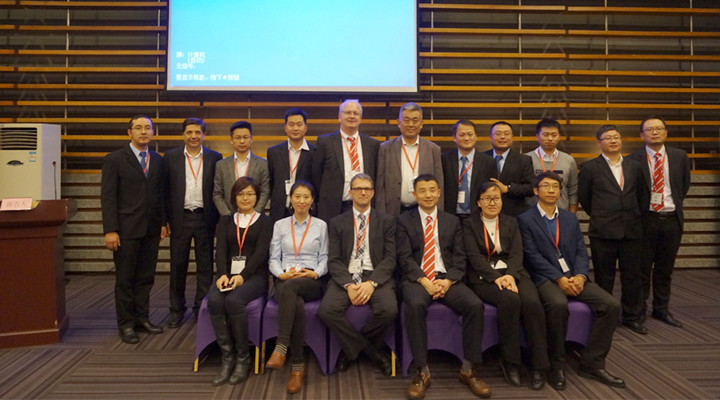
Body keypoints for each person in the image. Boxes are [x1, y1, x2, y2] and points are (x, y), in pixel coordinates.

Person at [517, 172, 625, 390]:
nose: (551, 190)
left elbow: (580, 251)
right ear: (536, 191)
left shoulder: (569, 218)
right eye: (546, 186)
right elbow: (531, 255)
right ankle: (556, 365)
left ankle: (592, 363)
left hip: (574, 276)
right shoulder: (525, 219)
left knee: (611, 305)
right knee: (558, 305)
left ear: (560, 191)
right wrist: (559, 278)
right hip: (545, 277)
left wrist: (581, 276)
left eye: (555, 186)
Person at [397, 174, 490, 400]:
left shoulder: (452, 221)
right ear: (414, 194)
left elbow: (460, 258)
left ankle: (468, 369)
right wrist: (425, 281)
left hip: (446, 278)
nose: (428, 195)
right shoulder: (403, 221)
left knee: (474, 305)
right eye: (422, 191)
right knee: (415, 305)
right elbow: (405, 258)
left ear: (439, 193)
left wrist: (448, 281)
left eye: (432, 190)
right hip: (418, 279)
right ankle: (422, 371)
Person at [462, 182, 549, 390]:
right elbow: (474, 258)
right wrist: (496, 278)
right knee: (510, 299)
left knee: (532, 302)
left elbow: (518, 253)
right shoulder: (469, 225)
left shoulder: (511, 222)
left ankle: (539, 365)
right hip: (484, 277)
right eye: (487, 198)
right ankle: (511, 361)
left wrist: (510, 275)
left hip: (514, 273)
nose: (492, 203)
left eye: (496, 198)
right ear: (479, 202)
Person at [319, 173, 397, 375]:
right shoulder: (337, 222)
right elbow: (334, 259)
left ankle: (351, 350)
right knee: (326, 311)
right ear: (350, 192)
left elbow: (390, 259)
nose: (363, 192)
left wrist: (372, 283)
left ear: (373, 193)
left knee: (389, 310)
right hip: (346, 275)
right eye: (358, 188)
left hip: (375, 275)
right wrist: (348, 285)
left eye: (367, 189)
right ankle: (372, 352)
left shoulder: (387, 221)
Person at [101, 115, 167, 344]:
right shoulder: (115, 159)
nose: (143, 132)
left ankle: (142, 318)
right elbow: (108, 197)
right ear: (129, 132)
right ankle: (126, 324)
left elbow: (160, 195)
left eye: (148, 128)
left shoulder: (157, 160)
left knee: (146, 278)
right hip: (125, 230)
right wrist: (110, 229)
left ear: (153, 132)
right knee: (125, 279)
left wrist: (162, 222)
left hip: (151, 229)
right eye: (138, 128)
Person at [578, 125, 647, 334]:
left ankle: (631, 316)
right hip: (603, 231)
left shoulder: (635, 166)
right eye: (608, 138)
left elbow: (642, 195)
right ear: (599, 142)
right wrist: (603, 215)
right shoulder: (590, 167)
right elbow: (585, 198)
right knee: (604, 277)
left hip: (631, 230)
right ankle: (606, 315)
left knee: (632, 276)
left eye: (617, 137)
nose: (613, 141)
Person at [207, 177, 273, 386]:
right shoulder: (226, 220)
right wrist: (222, 274)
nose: (245, 198)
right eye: (241, 194)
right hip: (227, 275)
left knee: (234, 301)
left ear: (257, 197)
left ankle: (243, 358)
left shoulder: (265, 222)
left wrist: (242, 276)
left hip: (254, 276)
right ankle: (227, 358)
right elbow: (220, 251)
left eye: (250, 194)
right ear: (234, 197)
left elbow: (260, 254)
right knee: (215, 300)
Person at [627, 116, 691, 328]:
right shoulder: (632, 160)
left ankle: (661, 309)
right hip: (646, 220)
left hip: (671, 219)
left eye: (659, 129)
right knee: (642, 268)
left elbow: (683, 186)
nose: (654, 132)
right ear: (641, 135)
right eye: (649, 130)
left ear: (666, 133)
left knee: (665, 268)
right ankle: (639, 310)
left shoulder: (680, 156)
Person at [265, 181, 328, 394]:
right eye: (297, 196)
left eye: (306, 197)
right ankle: (297, 366)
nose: (302, 201)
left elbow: (325, 257)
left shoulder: (320, 225)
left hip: (310, 280)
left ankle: (281, 346)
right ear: (290, 199)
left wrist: (315, 273)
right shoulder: (280, 225)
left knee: (291, 289)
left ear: (312, 200)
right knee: (296, 302)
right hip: (285, 278)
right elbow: (274, 258)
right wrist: (280, 274)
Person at [163, 118, 223, 328]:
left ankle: (201, 308)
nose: (193, 136)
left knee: (205, 266)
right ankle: (176, 309)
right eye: (189, 132)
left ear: (204, 135)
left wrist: (219, 220)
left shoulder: (215, 157)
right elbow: (164, 191)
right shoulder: (170, 157)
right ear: (183, 135)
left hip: (205, 218)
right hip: (180, 218)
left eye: (197, 132)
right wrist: (165, 220)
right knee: (177, 266)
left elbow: (218, 190)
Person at [312, 99, 380, 222]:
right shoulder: (325, 142)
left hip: (363, 207)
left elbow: (376, 175)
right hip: (333, 208)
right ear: (339, 117)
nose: (352, 116)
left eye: (356, 113)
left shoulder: (372, 145)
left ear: (360, 118)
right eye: (348, 113)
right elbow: (316, 174)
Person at [376, 102, 443, 216]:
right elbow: (380, 186)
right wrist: (381, 215)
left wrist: (439, 214)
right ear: (399, 123)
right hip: (394, 211)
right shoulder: (385, 148)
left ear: (421, 124)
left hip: (423, 210)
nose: (411, 124)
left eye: (415, 120)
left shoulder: (433, 149)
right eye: (406, 120)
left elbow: (439, 184)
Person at [267, 108, 315, 221]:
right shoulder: (274, 152)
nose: (295, 128)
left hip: (305, 209)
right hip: (279, 209)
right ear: (285, 127)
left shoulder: (315, 152)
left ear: (305, 127)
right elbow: (271, 181)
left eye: (299, 124)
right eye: (291, 124)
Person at [213, 121, 270, 216]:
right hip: (229, 217)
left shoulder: (263, 164)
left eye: (245, 137)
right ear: (231, 140)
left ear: (251, 139)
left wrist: (254, 214)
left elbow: (265, 191)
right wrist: (227, 215)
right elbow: (217, 193)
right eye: (238, 138)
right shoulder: (221, 165)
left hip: (255, 217)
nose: (242, 141)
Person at [442, 119, 497, 218]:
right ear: (454, 138)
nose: (466, 138)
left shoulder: (488, 162)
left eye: (470, 134)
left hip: (478, 215)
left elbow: (491, 190)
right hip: (450, 215)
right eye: (462, 135)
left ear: (476, 136)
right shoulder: (444, 160)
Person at [483, 121, 534, 217]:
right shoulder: (481, 157)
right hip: (485, 213)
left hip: (514, 214)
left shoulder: (523, 160)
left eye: (506, 134)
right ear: (490, 137)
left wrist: (508, 188)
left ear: (512, 137)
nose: (502, 137)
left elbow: (531, 188)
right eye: (498, 134)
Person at [527, 118, 578, 212]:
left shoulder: (569, 160)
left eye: (554, 135)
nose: (550, 138)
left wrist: (571, 215)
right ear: (537, 136)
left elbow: (573, 191)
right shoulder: (526, 159)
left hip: (561, 212)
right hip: (532, 214)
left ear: (559, 137)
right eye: (546, 135)